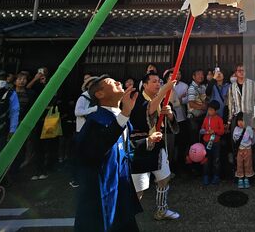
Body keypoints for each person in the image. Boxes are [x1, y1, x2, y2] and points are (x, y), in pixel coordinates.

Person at [74, 74, 159, 232]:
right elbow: (98, 148)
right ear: (100, 94)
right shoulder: (95, 120)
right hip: (103, 188)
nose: (119, 82)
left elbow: (123, 149)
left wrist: (147, 141)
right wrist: (125, 113)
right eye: (111, 83)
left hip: (121, 186)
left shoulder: (119, 117)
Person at [130, 72, 179, 221]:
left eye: (159, 82)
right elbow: (149, 110)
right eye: (154, 82)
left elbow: (170, 128)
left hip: (158, 146)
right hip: (140, 147)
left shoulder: (162, 101)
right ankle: (125, 217)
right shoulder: (137, 99)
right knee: (139, 190)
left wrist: (169, 115)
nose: (158, 84)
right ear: (144, 85)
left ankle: (161, 210)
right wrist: (166, 88)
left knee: (164, 179)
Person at [164, 69, 189, 170]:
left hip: (181, 117)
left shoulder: (184, 86)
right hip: (168, 120)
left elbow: (186, 100)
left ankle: (180, 164)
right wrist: (179, 99)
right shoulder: (163, 87)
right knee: (170, 144)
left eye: (179, 73)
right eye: (172, 75)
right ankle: (169, 166)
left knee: (181, 142)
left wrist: (178, 100)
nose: (176, 76)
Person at [200, 100, 225, 185]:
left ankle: (216, 176)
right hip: (206, 142)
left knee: (216, 160)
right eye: (209, 109)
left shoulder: (219, 119)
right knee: (206, 160)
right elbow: (202, 129)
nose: (209, 111)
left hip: (216, 142)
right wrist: (205, 131)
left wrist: (214, 131)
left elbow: (222, 131)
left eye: (211, 110)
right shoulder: (206, 119)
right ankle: (206, 176)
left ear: (216, 110)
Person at [233, 112, 254, 189]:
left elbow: (252, 138)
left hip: (247, 149)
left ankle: (246, 178)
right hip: (239, 150)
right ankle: (240, 178)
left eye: (243, 120)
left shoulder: (249, 129)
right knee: (239, 164)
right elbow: (234, 139)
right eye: (239, 120)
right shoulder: (236, 129)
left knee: (247, 164)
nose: (241, 122)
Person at [187, 69, 208, 143]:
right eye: (198, 74)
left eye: (202, 74)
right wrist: (203, 107)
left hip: (201, 117)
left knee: (201, 137)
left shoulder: (203, 87)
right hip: (193, 118)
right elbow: (191, 104)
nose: (201, 76)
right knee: (194, 138)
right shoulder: (192, 88)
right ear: (193, 77)